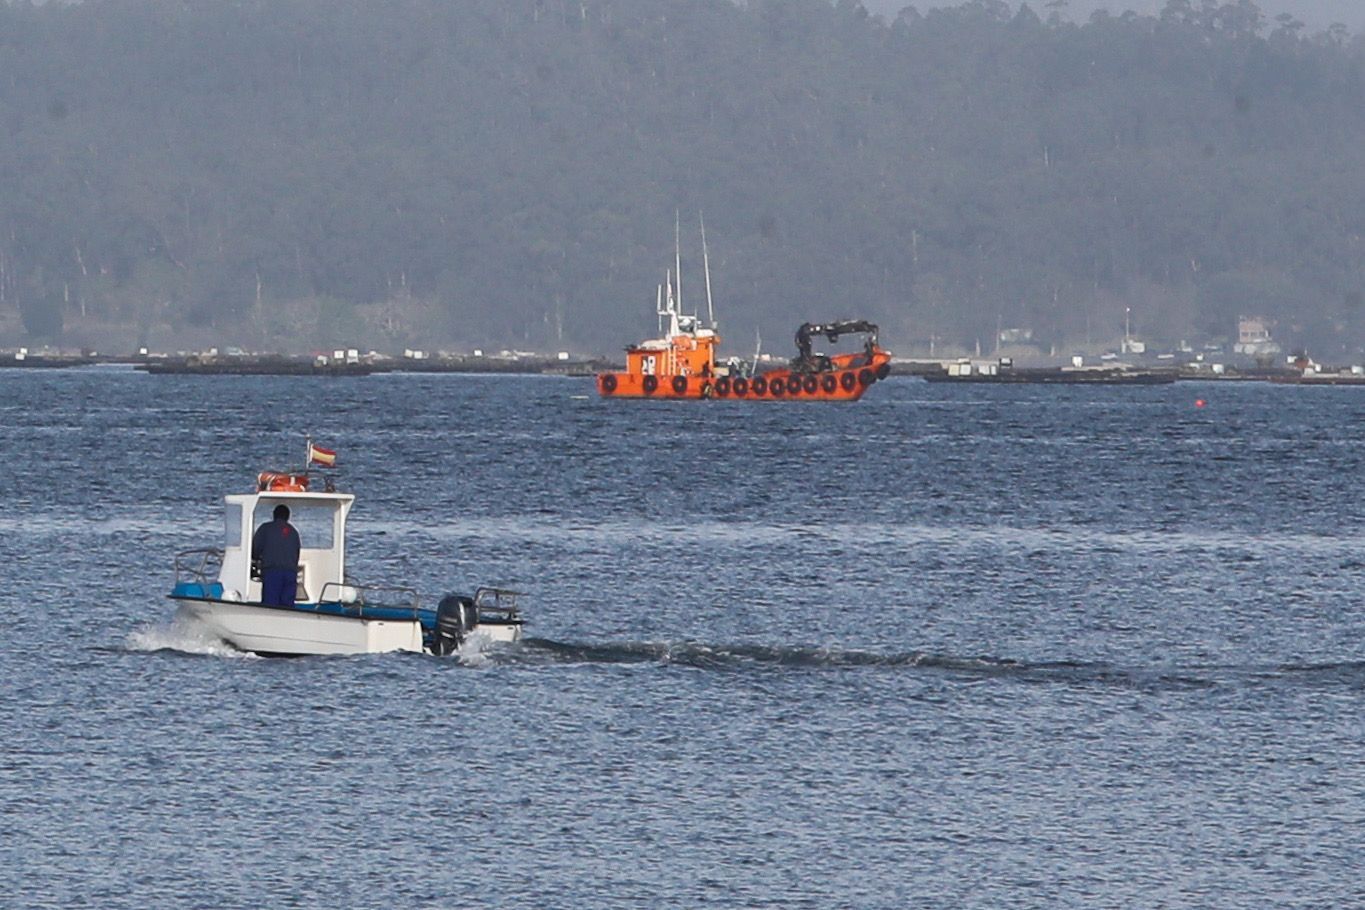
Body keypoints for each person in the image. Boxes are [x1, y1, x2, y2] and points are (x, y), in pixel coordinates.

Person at [252, 504, 301, 607]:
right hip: (290, 574)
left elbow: (255, 550)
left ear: (274, 515)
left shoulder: (265, 529)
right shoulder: (294, 532)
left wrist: (258, 559)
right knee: (287, 606)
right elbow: (296, 555)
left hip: (272, 572)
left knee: (270, 605)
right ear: (288, 517)